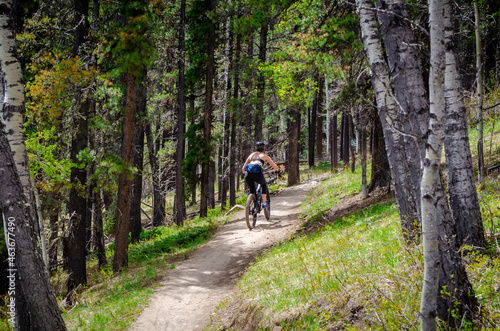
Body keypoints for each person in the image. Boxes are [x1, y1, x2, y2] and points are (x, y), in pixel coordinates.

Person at [242, 141, 280, 209]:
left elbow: (243, 168)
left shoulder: (251, 155)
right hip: (257, 174)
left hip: (248, 174)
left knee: (252, 190)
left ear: (256, 148)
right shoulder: (264, 156)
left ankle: (249, 204)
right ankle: (264, 203)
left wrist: (246, 173)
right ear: (263, 148)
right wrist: (277, 169)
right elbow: (275, 166)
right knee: (263, 185)